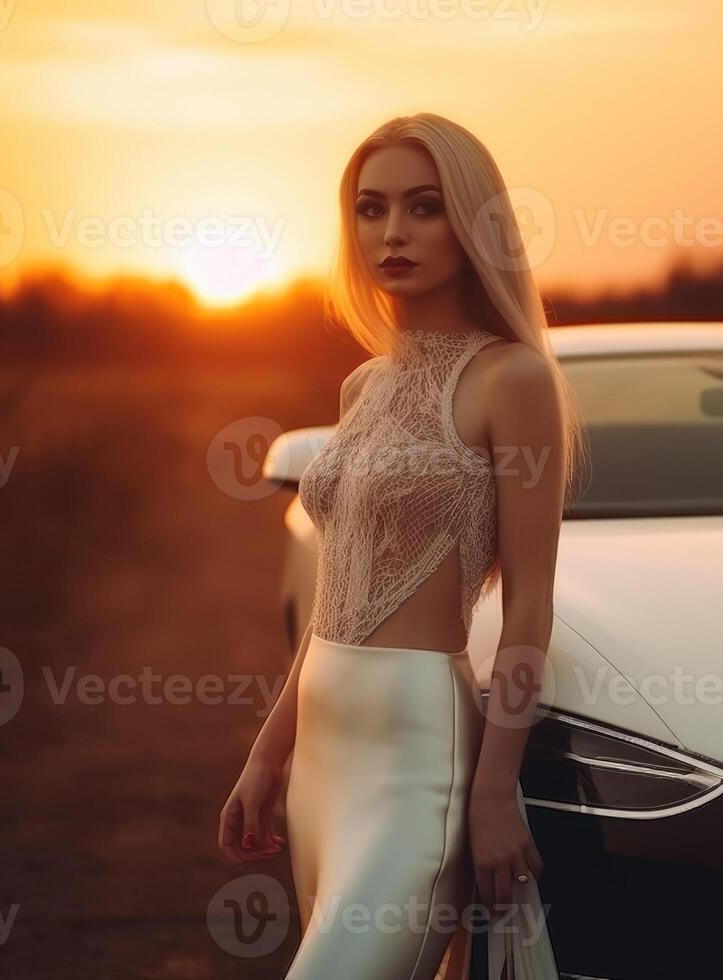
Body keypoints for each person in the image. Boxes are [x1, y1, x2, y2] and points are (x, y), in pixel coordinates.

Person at [216, 112, 588, 979]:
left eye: (424, 207)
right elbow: (336, 599)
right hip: (324, 754)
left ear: (473, 223)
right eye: (371, 208)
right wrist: (267, 756)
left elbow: (531, 601)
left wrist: (495, 789)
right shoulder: (363, 384)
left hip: (423, 753)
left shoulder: (514, 379)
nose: (393, 233)